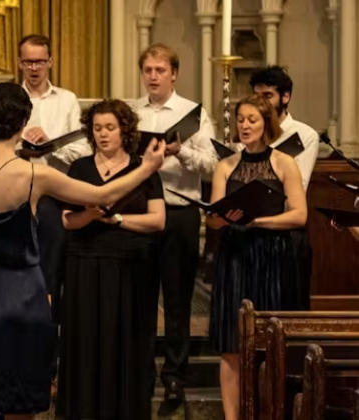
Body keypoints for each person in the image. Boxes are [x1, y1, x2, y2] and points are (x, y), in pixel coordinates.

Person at [0, 82, 166, 419]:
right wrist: (147, 169)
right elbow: (102, 196)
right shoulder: (36, 174)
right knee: (21, 408)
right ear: (22, 123)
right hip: (24, 298)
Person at [56, 99, 165, 420]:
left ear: (124, 131)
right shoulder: (79, 168)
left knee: (127, 341)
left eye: (110, 128)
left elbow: (157, 221)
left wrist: (117, 220)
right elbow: (66, 220)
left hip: (130, 265)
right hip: (84, 264)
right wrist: (90, 213)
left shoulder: (142, 168)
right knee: (85, 341)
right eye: (97, 128)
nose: (103, 134)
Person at [207, 94, 306, 420]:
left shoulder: (283, 162)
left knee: (270, 345)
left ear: (266, 124)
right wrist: (222, 218)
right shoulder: (225, 165)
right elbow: (213, 217)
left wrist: (259, 220)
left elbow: (299, 216)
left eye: (252, 119)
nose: (245, 125)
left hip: (272, 258)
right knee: (231, 346)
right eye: (241, 119)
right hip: (235, 258)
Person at [132, 42, 218, 413]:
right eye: (148, 70)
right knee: (139, 297)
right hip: (139, 211)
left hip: (179, 212)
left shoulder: (193, 114)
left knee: (179, 297)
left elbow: (214, 166)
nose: (153, 76)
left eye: (160, 70)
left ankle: (174, 376)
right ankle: (140, 372)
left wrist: (179, 151)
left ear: (174, 74)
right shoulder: (131, 112)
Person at [16, 33, 91, 305]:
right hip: (17, 194)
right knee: (19, 269)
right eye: (28, 62)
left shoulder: (66, 100)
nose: (34, 68)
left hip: (57, 195)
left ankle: (52, 336)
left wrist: (50, 144)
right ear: (19, 63)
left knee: (52, 269)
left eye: (40, 61)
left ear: (51, 61)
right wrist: (20, 148)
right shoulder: (11, 97)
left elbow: (83, 151)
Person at [250, 66, 319, 310]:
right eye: (257, 96)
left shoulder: (304, 134)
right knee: (254, 309)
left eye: (268, 96)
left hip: (287, 232)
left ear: (285, 97)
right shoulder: (251, 132)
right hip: (253, 231)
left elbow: (297, 187)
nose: (262, 103)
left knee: (287, 307)